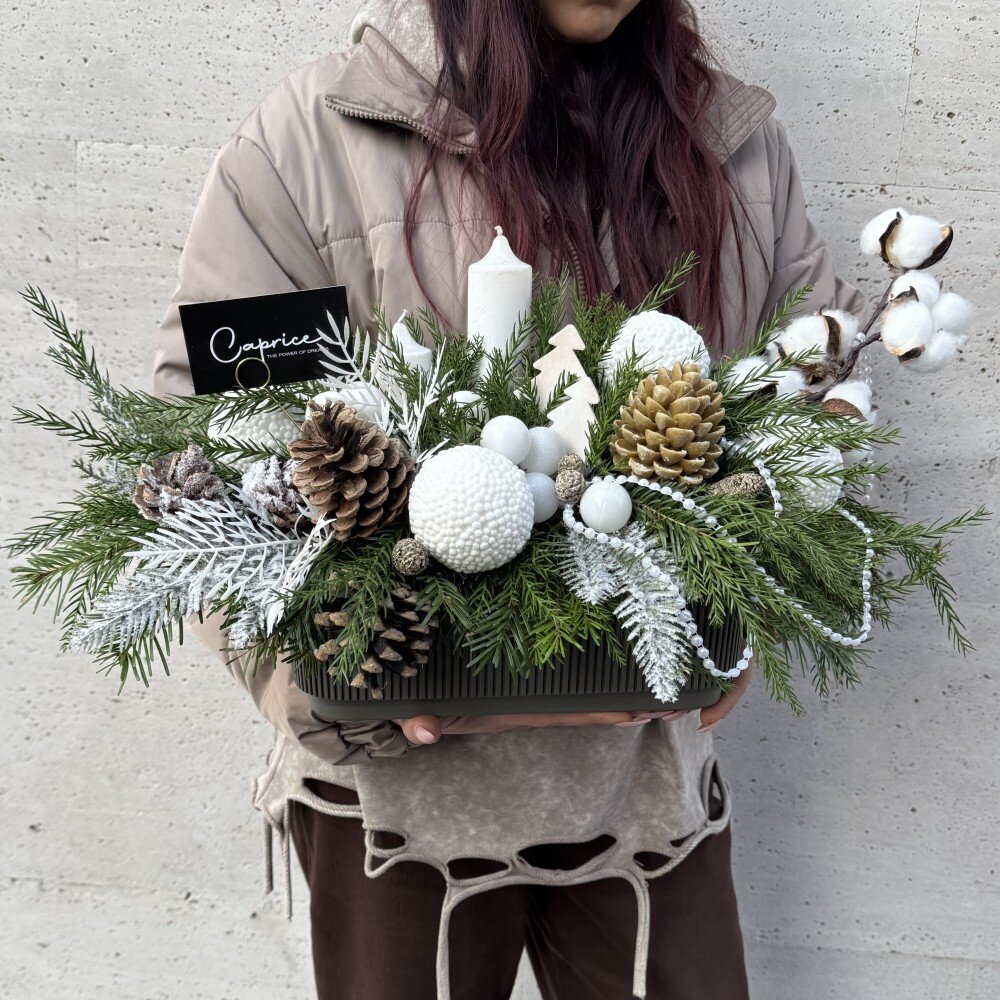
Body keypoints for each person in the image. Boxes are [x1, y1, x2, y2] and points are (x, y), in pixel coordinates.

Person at [153, 0, 862, 997]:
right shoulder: (318, 143)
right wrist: (333, 693)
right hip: (394, 800)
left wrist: (744, 613)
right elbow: (217, 454)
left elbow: (810, 406)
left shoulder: (728, 146)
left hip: (645, 784)